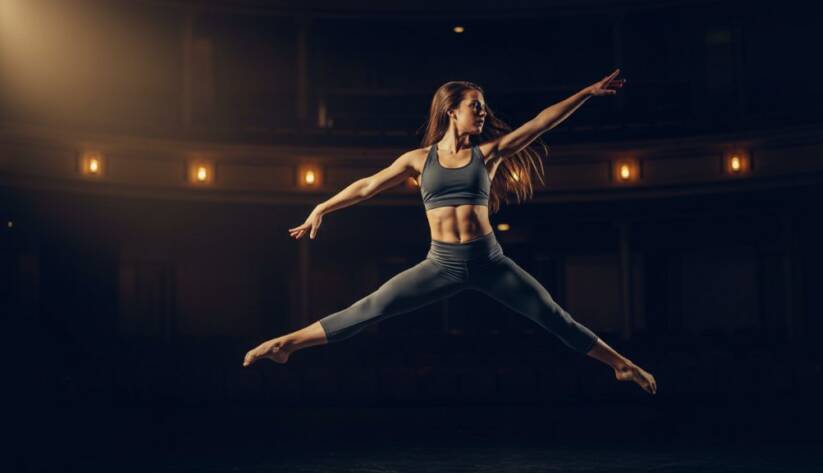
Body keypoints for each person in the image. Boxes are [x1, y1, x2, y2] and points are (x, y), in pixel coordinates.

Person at [243, 69, 657, 395]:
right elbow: (366, 186)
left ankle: (620, 364)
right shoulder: (418, 160)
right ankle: (287, 345)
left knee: (553, 316)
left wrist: (585, 93)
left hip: (490, 262)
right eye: (475, 106)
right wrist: (322, 207)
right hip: (440, 264)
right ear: (451, 111)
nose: (482, 113)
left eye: (482, 107)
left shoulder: (488, 154)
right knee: (371, 307)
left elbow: (539, 124)